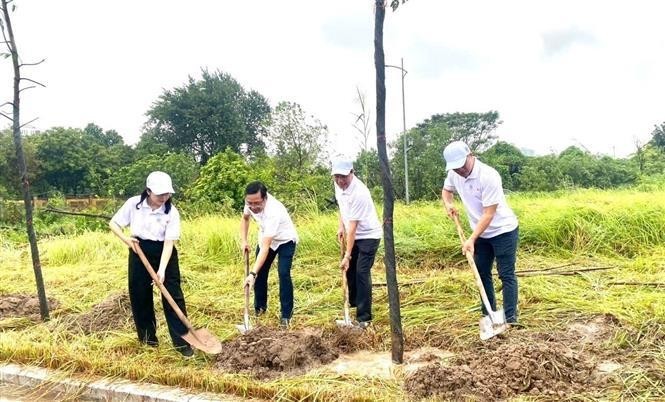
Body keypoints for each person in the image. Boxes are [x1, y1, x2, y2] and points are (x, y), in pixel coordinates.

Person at [109, 171, 194, 357]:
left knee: (173, 296)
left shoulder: (171, 212)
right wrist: (127, 240)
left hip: (165, 252)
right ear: (148, 191)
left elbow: (169, 242)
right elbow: (114, 223)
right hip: (139, 251)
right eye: (160, 194)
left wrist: (162, 270)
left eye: (167, 194)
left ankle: (183, 344)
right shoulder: (134, 204)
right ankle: (148, 340)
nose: (165, 198)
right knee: (140, 295)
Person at [441, 141, 520, 325]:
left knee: (506, 273)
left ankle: (510, 318)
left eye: (461, 165)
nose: (459, 170)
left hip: (503, 230)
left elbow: (489, 213)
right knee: (482, 272)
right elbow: (446, 191)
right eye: (455, 167)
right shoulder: (454, 173)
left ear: (470, 155)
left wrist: (471, 239)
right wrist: (449, 204)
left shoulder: (488, 175)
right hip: (481, 233)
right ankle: (489, 314)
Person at [240, 181, 298, 328]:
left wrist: (251, 274)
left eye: (257, 203)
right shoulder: (250, 202)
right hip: (267, 237)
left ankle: (286, 316)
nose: (253, 207)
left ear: (265, 198)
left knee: (283, 273)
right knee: (261, 273)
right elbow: (245, 218)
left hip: (285, 240)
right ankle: (260, 309)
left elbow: (265, 248)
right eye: (250, 203)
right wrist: (244, 240)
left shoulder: (274, 211)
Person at [332, 159, 382, 328]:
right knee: (350, 272)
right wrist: (340, 226)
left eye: (343, 177)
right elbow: (341, 207)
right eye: (337, 177)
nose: (340, 181)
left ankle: (364, 319)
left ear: (352, 173)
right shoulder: (338, 186)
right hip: (353, 233)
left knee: (361, 272)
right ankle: (352, 306)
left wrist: (347, 255)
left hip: (369, 235)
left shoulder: (359, 192)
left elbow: (353, 228)